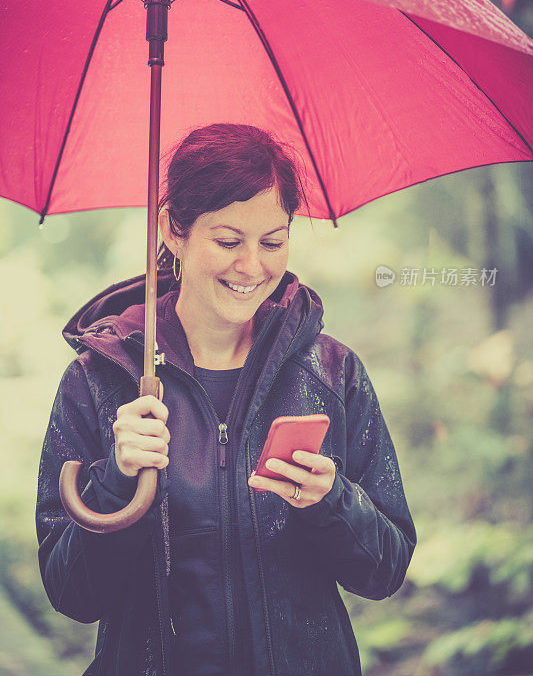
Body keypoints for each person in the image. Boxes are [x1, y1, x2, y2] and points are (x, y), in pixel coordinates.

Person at [36, 123, 417, 676]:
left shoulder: (331, 372)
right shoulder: (100, 382)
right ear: (173, 230)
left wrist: (332, 501)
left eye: (273, 241)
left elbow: (386, 570)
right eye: (228, 240)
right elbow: (71, 593)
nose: (252, 267)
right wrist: (117, 479)